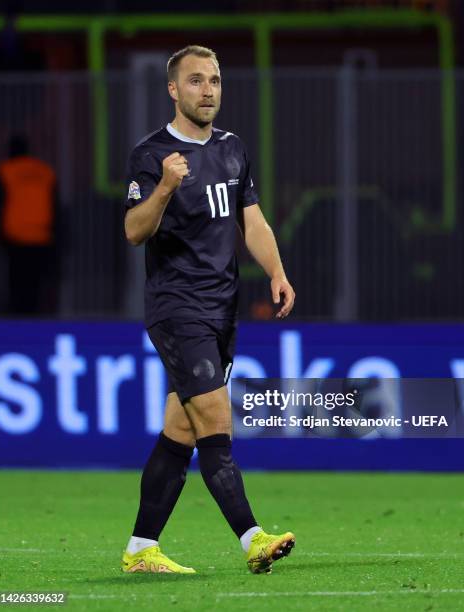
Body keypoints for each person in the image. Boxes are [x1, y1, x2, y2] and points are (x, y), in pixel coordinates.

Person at [122, 45, 296, 575]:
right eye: (196, 81)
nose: (208, 90)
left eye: (215, 81)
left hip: (223, 309)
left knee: (181, 430)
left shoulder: (232, 149)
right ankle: (253, 540)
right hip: (178, 308)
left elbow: (253, 221)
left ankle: (139, 550)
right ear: (174, 90)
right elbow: (134, 231)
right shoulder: (152, 156)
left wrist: (276, 270)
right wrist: (168, 187)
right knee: (217, 420)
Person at [0, 134, 58, 315]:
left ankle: (17, 317)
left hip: (14, 235)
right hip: (41, 235)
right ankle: (34, 316)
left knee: (16, 280)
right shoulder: (45, 171)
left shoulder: (5, 171)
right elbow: (55, 205)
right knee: (35, 281)